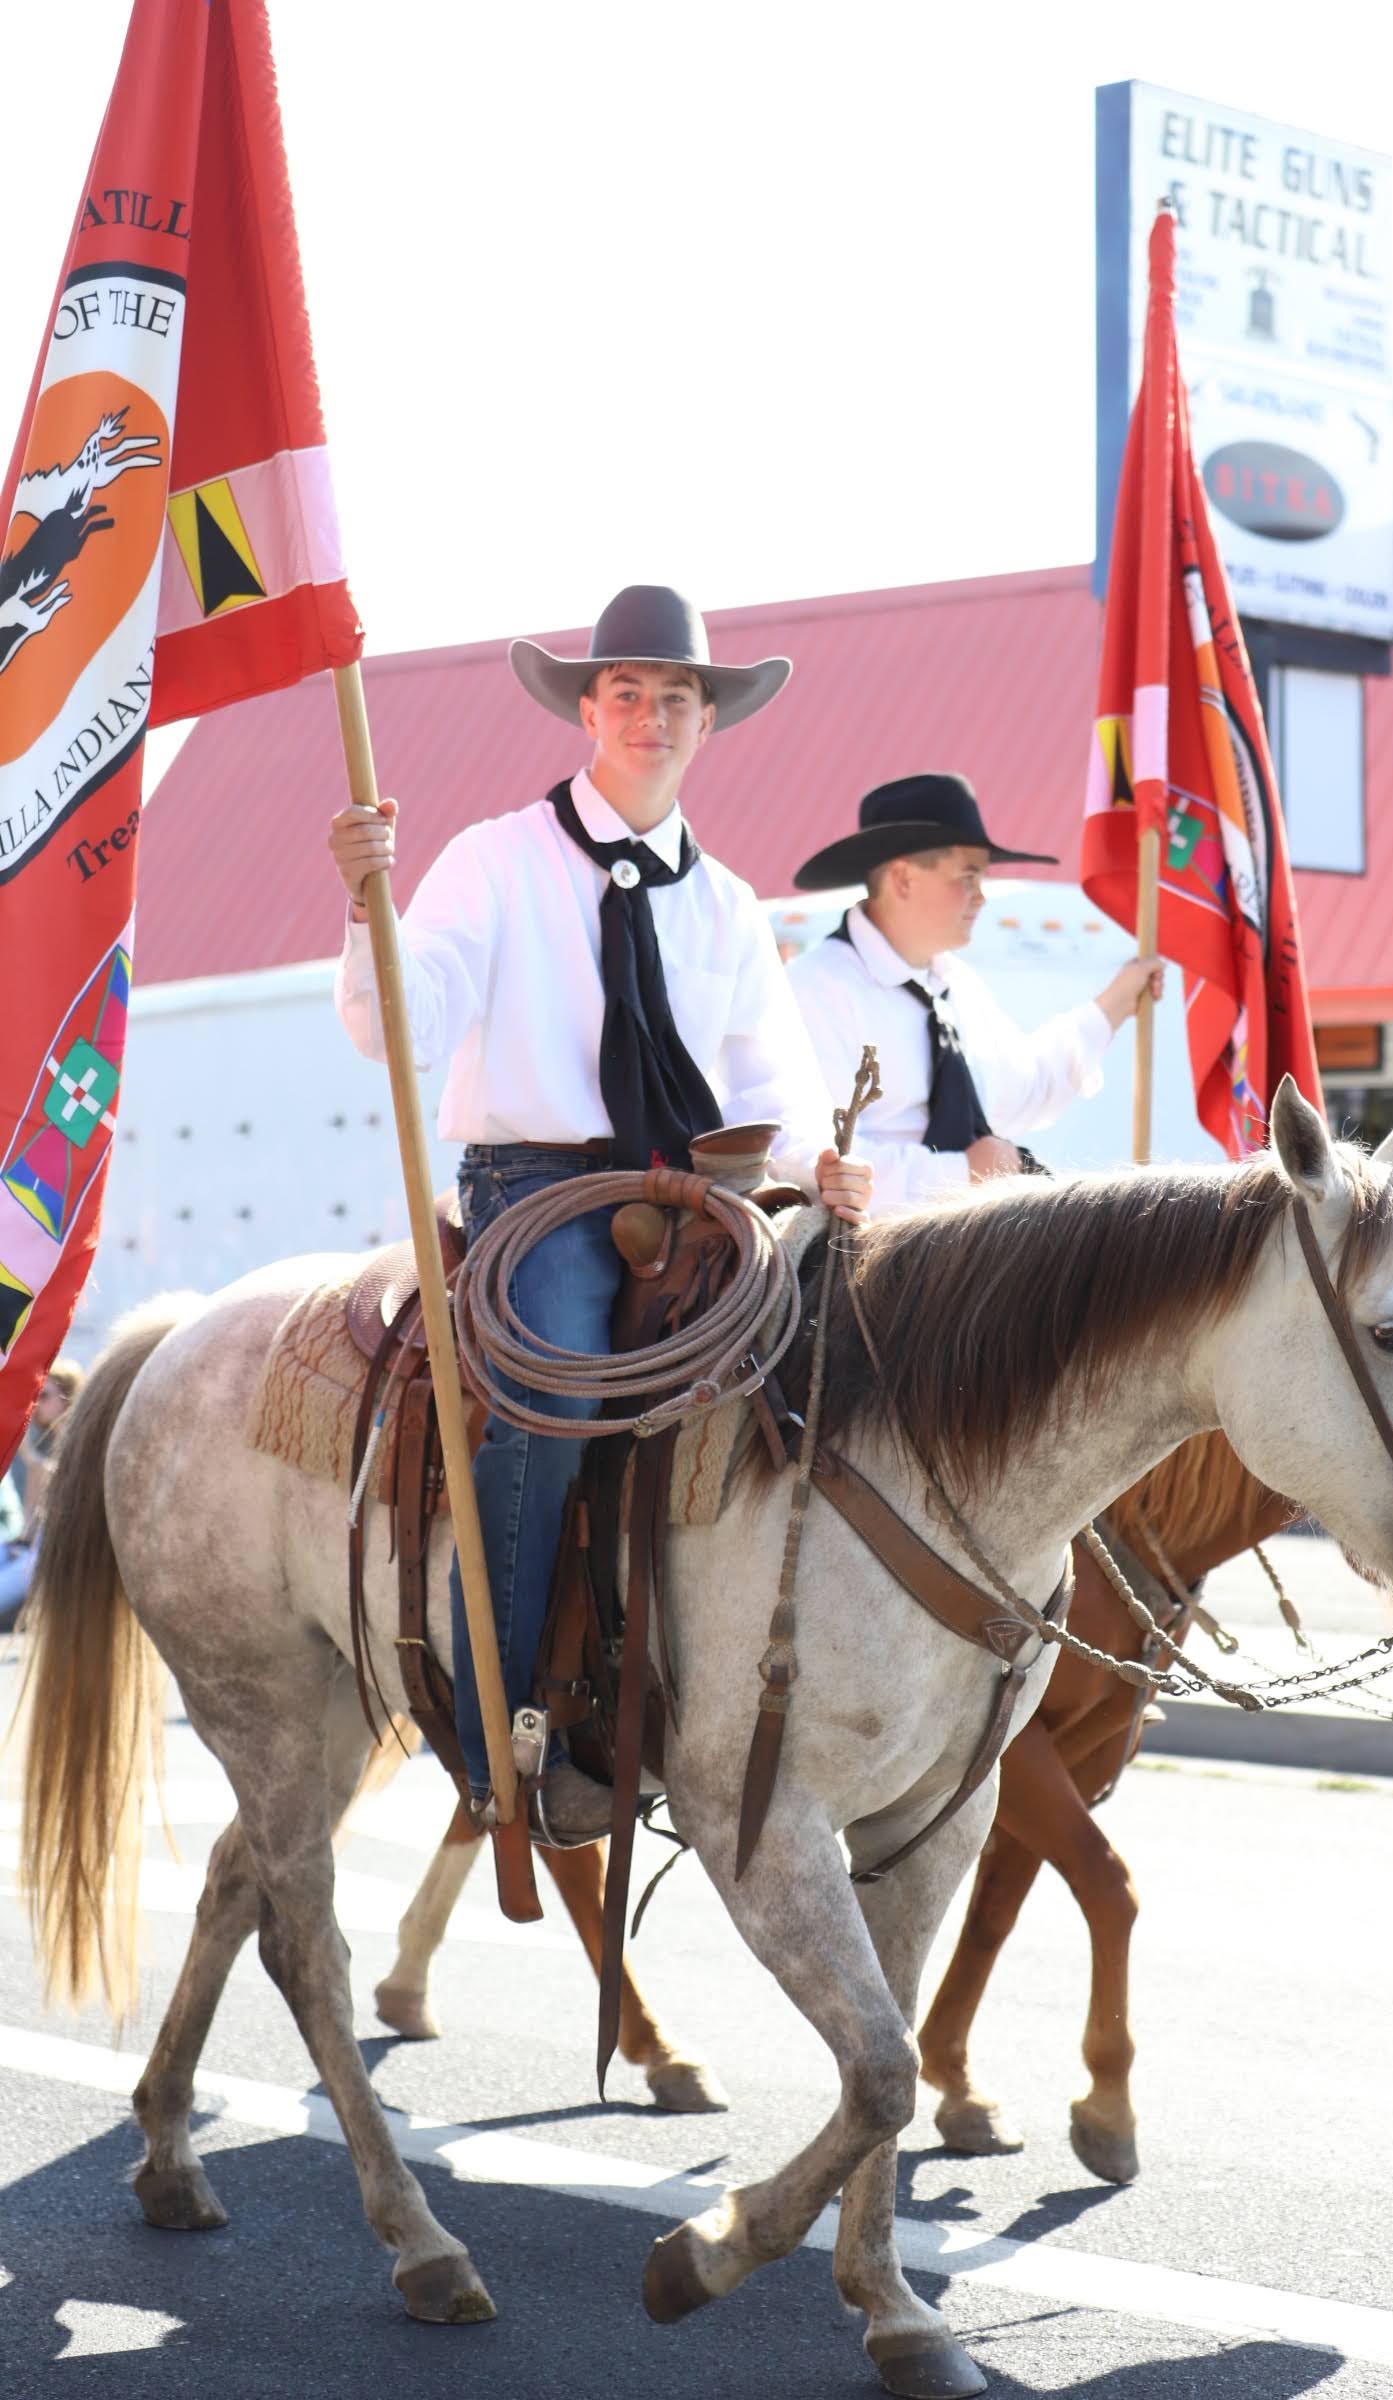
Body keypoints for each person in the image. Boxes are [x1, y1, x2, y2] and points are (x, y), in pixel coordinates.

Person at [330, 586, 870, 1835]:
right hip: (543, 1190)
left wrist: (823, 1165)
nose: (651, 714)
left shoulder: (726, 903)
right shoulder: (492, 859)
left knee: (822, 1377)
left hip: (695, 1193)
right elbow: (391, 1021)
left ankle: (738, 1685)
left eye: (675, 697)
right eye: (626, 692)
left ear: (706, 723)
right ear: (586, 710)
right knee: (556, 1395)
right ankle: (495, 1728)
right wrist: (368, 905)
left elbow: (771, 1089)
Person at [786, 773, 1164, 1210]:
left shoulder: (954, 986)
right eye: (967, 877)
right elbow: (809, 1157)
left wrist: (1116, 1003)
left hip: (959, 1251)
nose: (980, 897)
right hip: (864, 1259)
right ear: (903, 879)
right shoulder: (815, 988)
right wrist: (960, 1174)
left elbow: (1024, 1087)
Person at [0, 1360, 83, 1633]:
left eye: (44, 1396)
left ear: (66, 1398)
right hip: (38, 1545)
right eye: (35, 1397)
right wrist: (23, 1540)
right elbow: (32, 1515)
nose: (36, 1404)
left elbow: (70, 1485)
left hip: (62, 1552)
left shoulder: (80, 1442)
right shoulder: (44, 1445)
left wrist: (32, 1460)